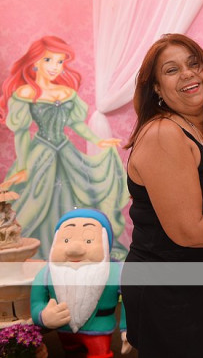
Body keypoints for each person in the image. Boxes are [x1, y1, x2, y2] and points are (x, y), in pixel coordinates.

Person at [120, 33, 203, 358]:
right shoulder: (163, 133)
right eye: (172, 70)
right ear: (156, 88)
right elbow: (189, 230)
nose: (187, 74)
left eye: (194, 64)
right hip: (169, 294)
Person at [0, 36, 128, 260]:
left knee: (80, 196)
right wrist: (22, 166)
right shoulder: (25, 94)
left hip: (66, 152)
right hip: (40, 154)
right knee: (32, 203)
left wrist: (99, 142)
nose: (55, 66)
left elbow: (76, 124)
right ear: (35, 61)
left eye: (60, 62)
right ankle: (39, 255)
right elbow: (21, 134)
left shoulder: (66, 93)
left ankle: (76, 251)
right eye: (48, 60)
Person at [30, 208, 131, 357]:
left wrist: (127, 328)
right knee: (71, 352)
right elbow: (36, 303)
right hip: (64, 330)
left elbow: (131, 300)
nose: (74, 250)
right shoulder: (46, 273)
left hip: (99, 329)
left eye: (89, 241)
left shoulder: (117, 271)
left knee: (99, 354)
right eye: (66, 240)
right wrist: (43, 316)